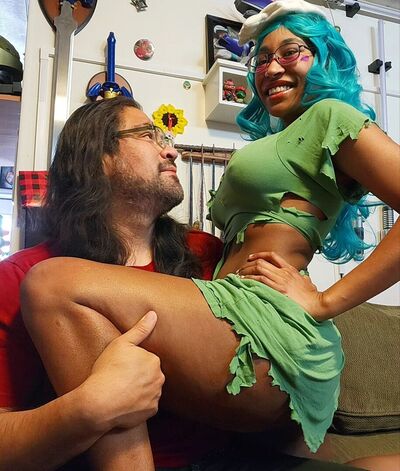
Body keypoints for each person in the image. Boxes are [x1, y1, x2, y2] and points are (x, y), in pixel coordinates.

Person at [21, 0, 399, 469]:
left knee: (52, 283)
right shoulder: (279, 142)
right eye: (262, 58)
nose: (271, 68)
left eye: (290, 52)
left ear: (323, 57)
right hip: (231, 312)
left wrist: (326, 302)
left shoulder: (333, 117)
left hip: (265, 322)